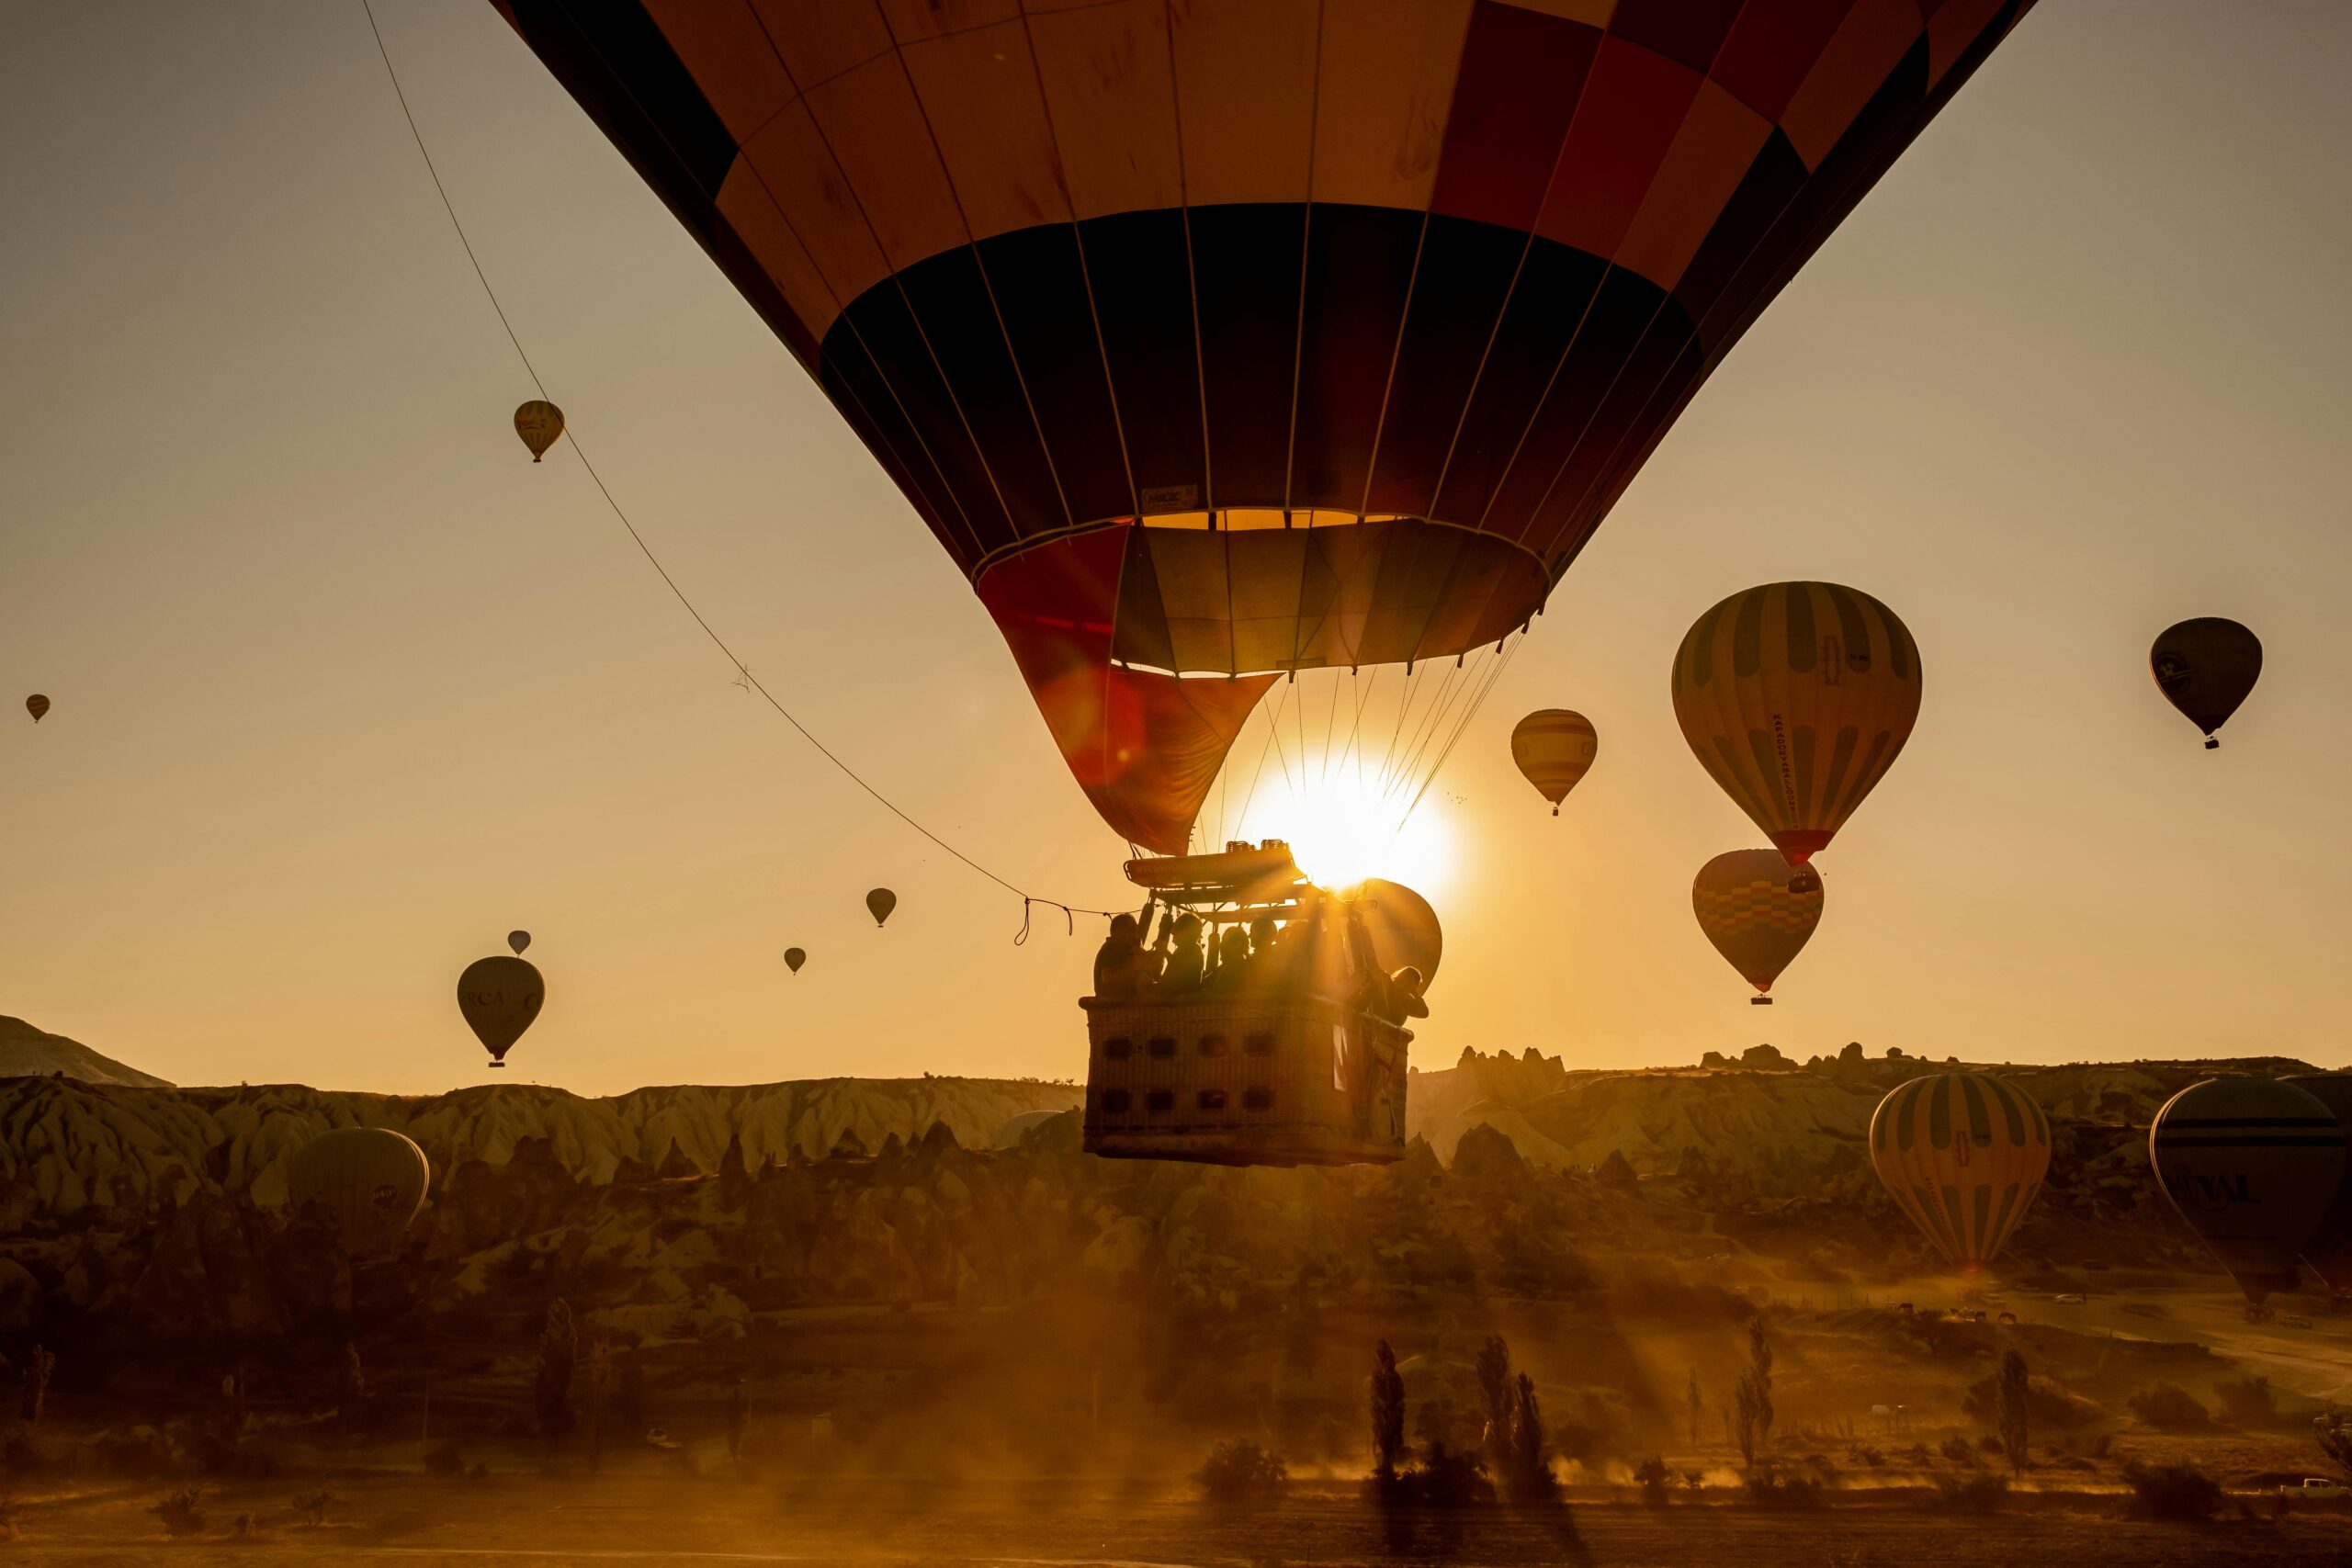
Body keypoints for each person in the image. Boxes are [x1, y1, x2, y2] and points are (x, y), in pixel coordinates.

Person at [1091, 913, 1144, 1000]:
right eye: (1131, 931)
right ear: (1118, 932)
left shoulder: (1123, 950)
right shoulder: (1113, 947)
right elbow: (1108, 977)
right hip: (1114, 1004)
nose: (1134, 935)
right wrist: (1136, 970)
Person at [1154, 911, 1205, 994]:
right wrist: (1166, 952)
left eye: (1175, 931)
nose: (1172, 933)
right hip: (1185, 996)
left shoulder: (1184, 950)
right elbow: (1178, 966)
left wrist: (1148, 985)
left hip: (1178, 999)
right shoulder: (1194, 949)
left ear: (1183, 933)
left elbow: (1168, 984)